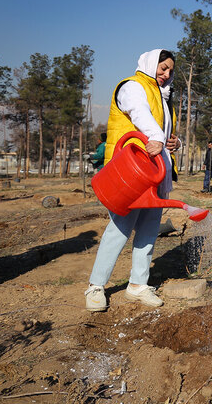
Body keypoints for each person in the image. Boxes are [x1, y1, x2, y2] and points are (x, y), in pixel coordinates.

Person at [85, 49, 182, 311]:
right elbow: (140, 115)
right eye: (163, 68)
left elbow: (164, 132)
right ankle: (96, 286)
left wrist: (174, 142)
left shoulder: (164, 98)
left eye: (171, 70)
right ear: (151, 64)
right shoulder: (132, 86)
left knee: (150, 229)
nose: (167, 74)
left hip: (155, 173)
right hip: (129, 174)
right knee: (120, 229)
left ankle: (138, 284)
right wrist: (158, 137)